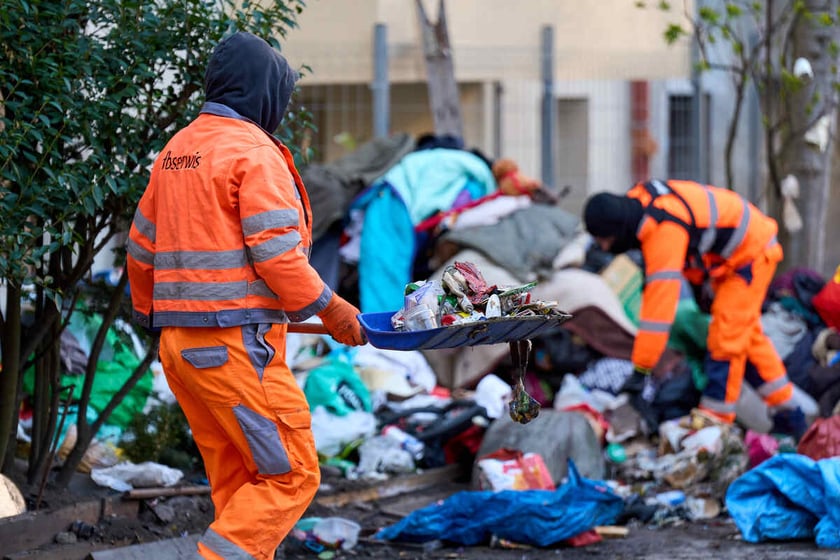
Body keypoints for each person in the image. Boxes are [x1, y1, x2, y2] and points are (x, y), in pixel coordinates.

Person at [126, 31, 366, 560]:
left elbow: (141, 247)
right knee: (292, 476)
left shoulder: (178, 150)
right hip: (236, 352)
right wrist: (332, 307)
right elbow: (279, 256)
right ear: (265, 92)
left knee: (240, 485)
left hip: (182, 352)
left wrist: (155, 315)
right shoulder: (253, 153)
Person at [582, 179, 807, 438]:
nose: (606, 248)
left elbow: (658, 314)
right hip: (732, 257)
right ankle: (790, 413)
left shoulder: (663, 232)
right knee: (747, 335)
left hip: (750, 255)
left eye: (606, 240)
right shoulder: (639, 204)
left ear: (617, 229)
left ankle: (714, 425)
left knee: (726, 340)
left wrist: (642, 369)